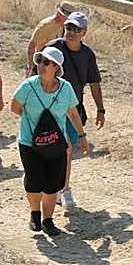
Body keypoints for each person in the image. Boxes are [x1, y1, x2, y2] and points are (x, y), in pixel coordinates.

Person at [11, 46, 89, 236]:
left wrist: (81, 135)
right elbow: (15, 107)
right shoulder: (27, 86)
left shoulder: (65, 88)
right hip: (30, 143)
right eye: (39, 61)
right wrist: (34, 124)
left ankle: (48, 220)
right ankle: (35, 214)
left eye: (46, 62)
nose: (41, 65)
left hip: (56, 143)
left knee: (53, 183)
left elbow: (72, 113)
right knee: (34, 180)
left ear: (56, 67)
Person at [43, 11, 104, 207]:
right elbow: (39, 74)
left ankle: (64, 188)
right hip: (48, 107)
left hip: (72, 109)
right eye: (69, 27)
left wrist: (100, 109)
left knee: (67, 148)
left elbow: (94, 83)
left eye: (76, 29)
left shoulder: (87, 55)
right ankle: (51, 184)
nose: (71, 32)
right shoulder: (52, 48)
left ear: (84, 33)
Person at [27, 2, 74, 74]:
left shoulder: (64, 27)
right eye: (66, 18)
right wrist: (31, 66)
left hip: (54, 65)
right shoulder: (46, 25)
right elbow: (32, 45)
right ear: (59, 14)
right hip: (42, 63)